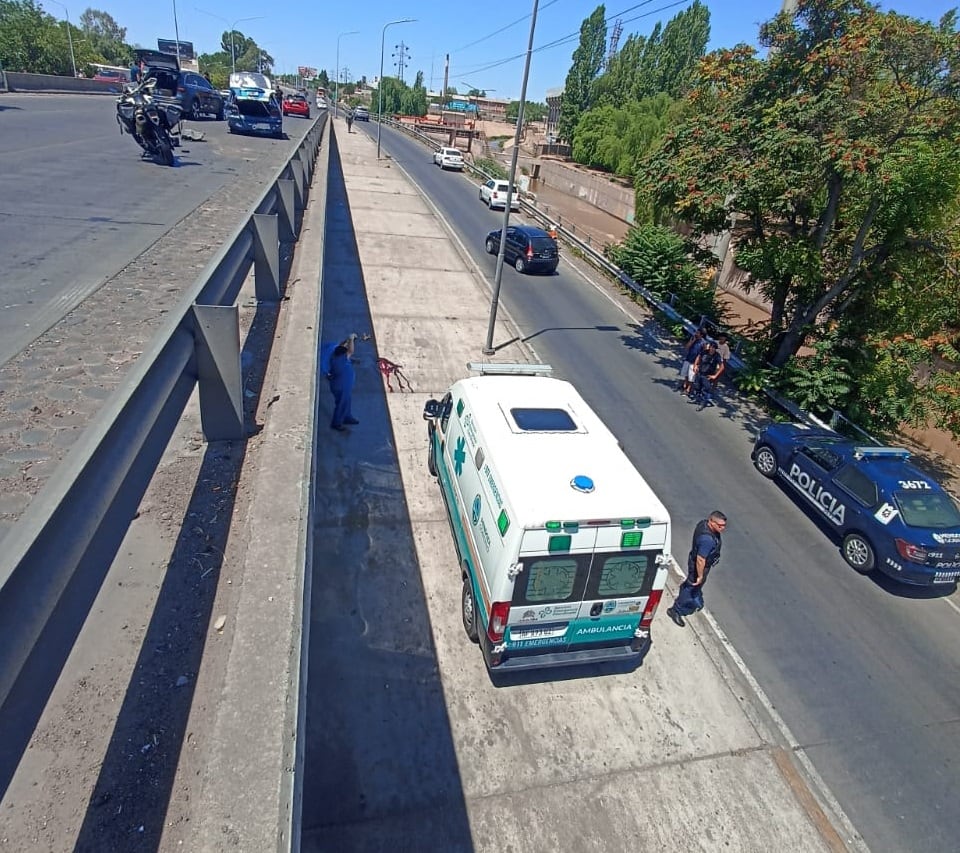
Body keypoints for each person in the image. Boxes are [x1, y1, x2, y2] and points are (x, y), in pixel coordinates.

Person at [667, 511, 727, 627]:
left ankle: (694, 593)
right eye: (719, 525)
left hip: (698, 561)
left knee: (694, 585)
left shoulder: (703, 525)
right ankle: (676, 610)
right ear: (711, 521)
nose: (722, 528)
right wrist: (700, 575)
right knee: (692, 585)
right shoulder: (707, 540)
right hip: (699, 566)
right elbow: (700, 559)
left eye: (724, 525)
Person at [328, 334, 359, 431]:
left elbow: (340, 347)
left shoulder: (335, 357)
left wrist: (346, 341)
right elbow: (351, 351)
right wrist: (351, 339)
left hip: (340, 386)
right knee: (341, 404)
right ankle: (336, 423)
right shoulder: (343, 358)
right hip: (342, 387)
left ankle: (347, 417)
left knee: (346, 401)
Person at [691, 340, 725, 411]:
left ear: (715, 349)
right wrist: (695, 366)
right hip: (700, 372)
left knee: (705, 390)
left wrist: (715, 376)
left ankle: (702, 404)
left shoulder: (716, 356)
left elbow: (722, 367)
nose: (711, 349)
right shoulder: (704, 352)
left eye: (713, 348)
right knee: (697, 387)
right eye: (711, 347)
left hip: (707, 376)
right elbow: (698, 357)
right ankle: (697, 399)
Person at [677, 329, 706, 395]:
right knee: (686, 374)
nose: (696, 334)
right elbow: (687, 347)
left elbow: (703, 354)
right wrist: (692, 341)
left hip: (695, 362)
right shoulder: (693, 339)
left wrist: (698, 364)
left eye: (698, 333)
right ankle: (684, 385)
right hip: (688, 358)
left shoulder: (703, 343)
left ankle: (688, 389)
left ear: (701, 335)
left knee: (691, 376)